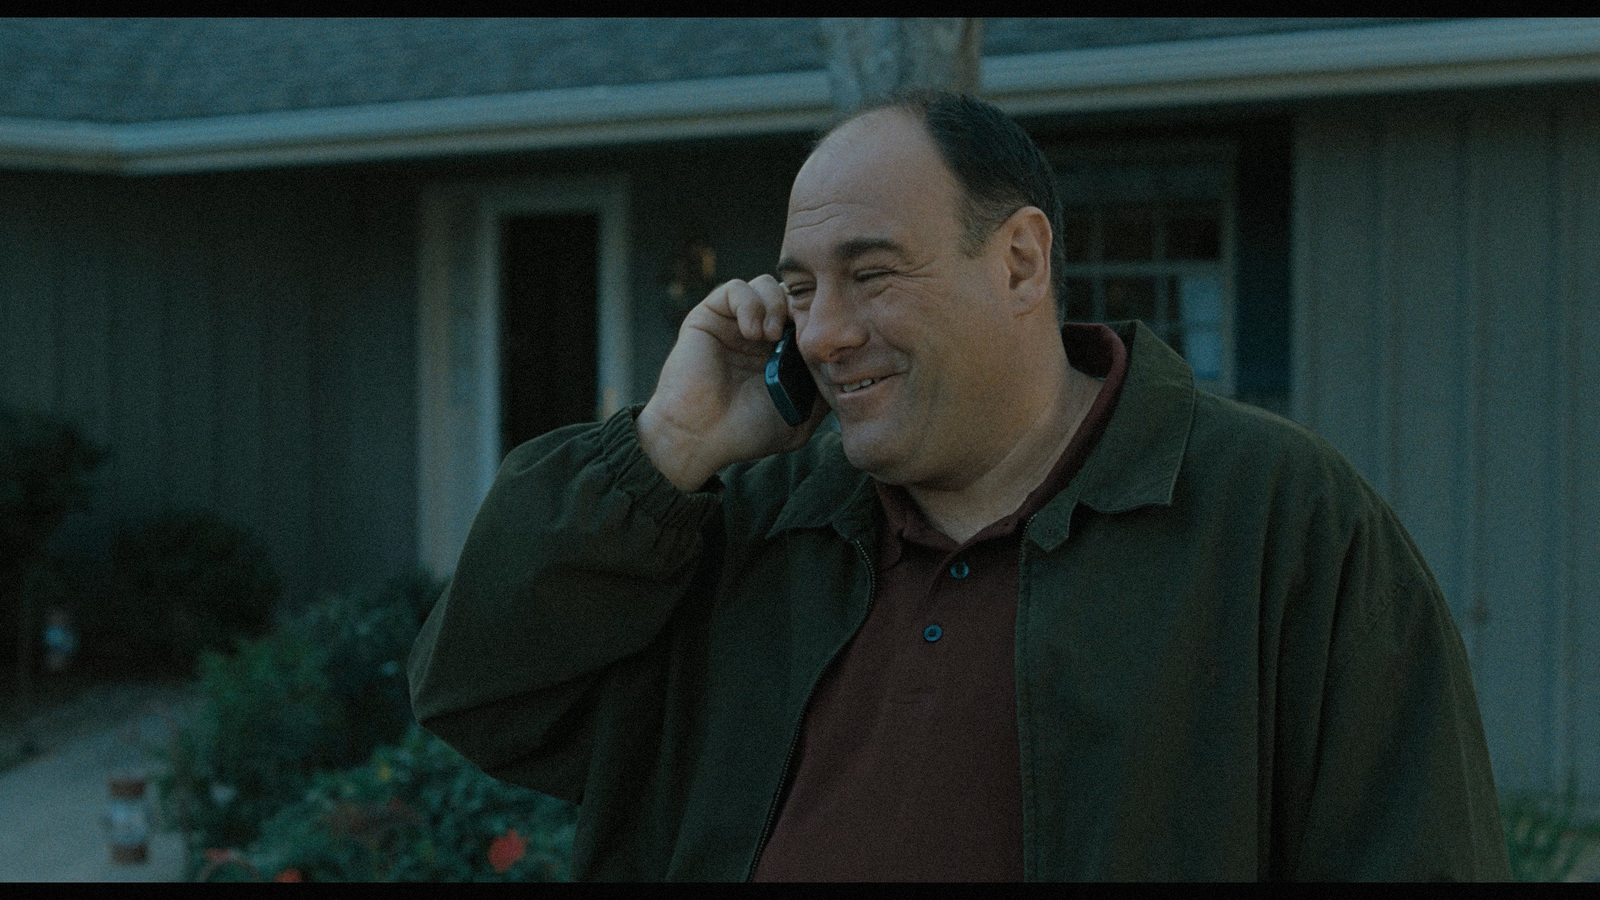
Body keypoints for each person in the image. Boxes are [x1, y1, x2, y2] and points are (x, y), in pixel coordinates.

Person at [408, 91, 1510, 881]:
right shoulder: (749, 516)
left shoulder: (1276, 517)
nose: (826, 332)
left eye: (871, 275)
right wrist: (664, 449)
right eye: (799, 288)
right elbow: (481, 698)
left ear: (1020, 263)